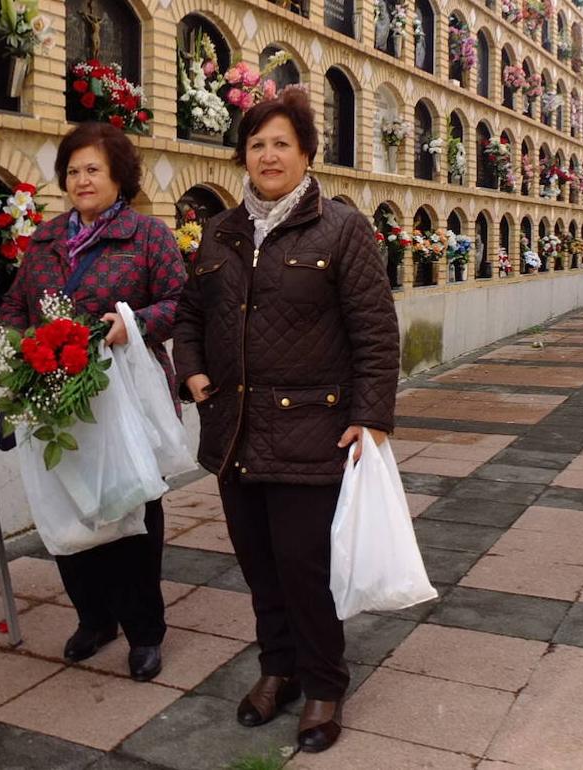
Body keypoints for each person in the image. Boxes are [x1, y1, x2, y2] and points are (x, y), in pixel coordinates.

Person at [172, 88, 400, 753]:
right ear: (242, 154)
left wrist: (372, 418)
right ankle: (279, 670)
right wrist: (190, 371)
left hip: (311, 432)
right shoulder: (219, 232)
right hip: (234, 432)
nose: (268, 155)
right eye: (256, 144)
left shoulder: (342, 229)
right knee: (258, 566)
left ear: (305, 152)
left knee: (303, 568)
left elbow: (376, 334)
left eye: (281, 143)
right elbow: (190, 314)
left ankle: (325, 681)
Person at [0, 121, 186, 682]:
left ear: (119, 177)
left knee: (131, 512)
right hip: (59, 400)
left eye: (93, 170)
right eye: (73, 171)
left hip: (127, 400)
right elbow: (13, 304)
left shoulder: (148, 236)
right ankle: (94, 618)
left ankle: (144, 632)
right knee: (69, 506)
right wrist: (19, 347)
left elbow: (184, 303)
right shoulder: (46, 240)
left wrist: (135, 325)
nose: (82, 180)